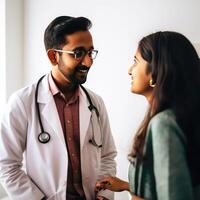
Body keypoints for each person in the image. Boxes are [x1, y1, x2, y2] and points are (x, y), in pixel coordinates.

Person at [0, 16, 117, 200]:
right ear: (53, 56)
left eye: (90, 52)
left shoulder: (95, 103)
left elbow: (107, 157)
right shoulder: (22, 102)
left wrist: (104, 194)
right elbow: (6, 165)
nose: (88, 62)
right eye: (78, 53)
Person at [95, 31, 200, 200]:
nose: (130, 70)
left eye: (135, 62)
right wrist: (128, 187)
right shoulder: (182, 117)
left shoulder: (164, 124)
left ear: (155, 72)